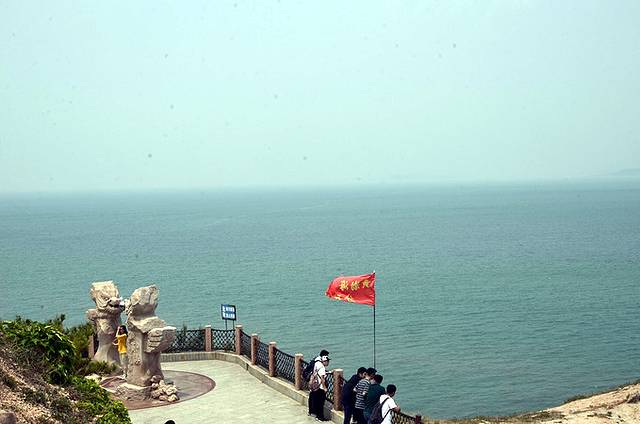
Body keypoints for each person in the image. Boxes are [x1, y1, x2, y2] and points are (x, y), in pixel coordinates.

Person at [308, 349, 330, 418]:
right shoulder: (322, 367)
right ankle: (320, 417)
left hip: (314, 384)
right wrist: (324, 388)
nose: (328, 362)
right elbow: (322, 378)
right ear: (324, 361)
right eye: (327, 361)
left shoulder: (316, 362)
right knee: (320, 402)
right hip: (319, 386)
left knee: (313, 399)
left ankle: (312, 412)